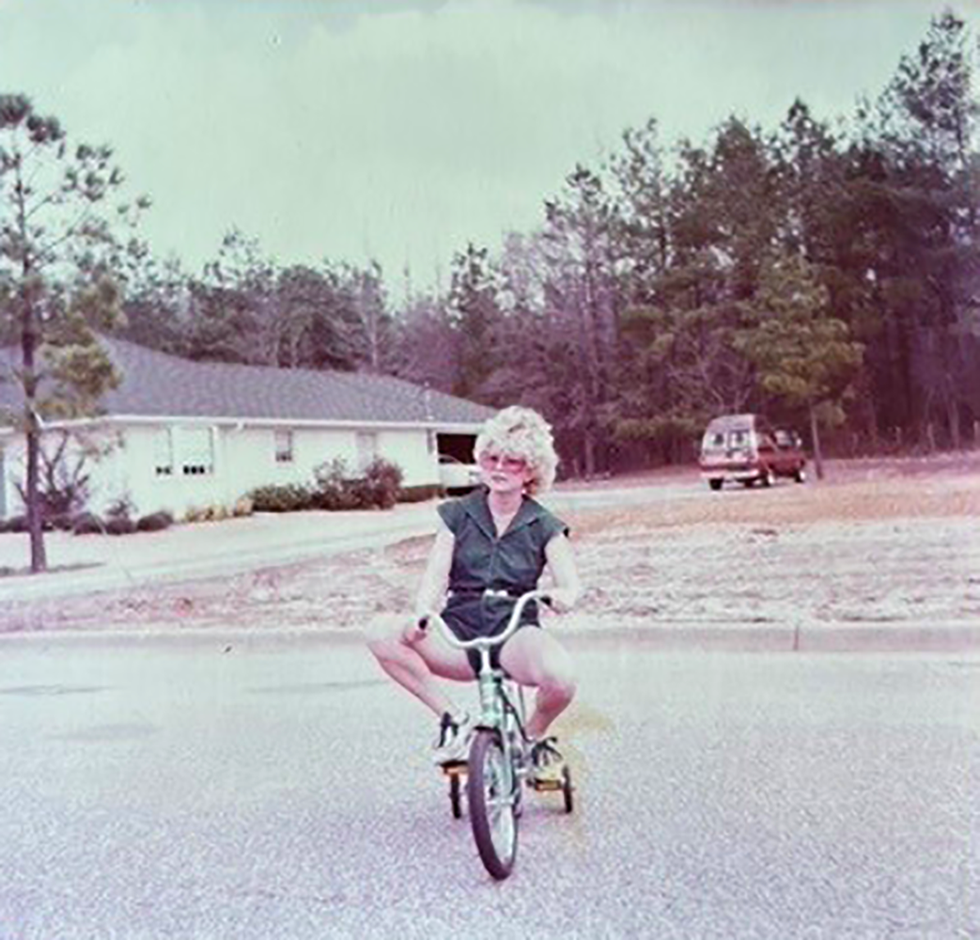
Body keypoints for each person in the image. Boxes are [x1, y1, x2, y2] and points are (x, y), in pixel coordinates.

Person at [366, 405, 581, 780]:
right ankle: (454, 720)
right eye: (491, 458)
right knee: (380, 632)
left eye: (512, 461)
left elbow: (571, 583)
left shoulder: (545, 524)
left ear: (531, 470)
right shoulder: (457, 514)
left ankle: (530, 740)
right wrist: (422, 613)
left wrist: (563, 596)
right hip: (459, 631)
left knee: (561, 679)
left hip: (515, 631)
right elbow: (436, 576)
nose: (498, 468)